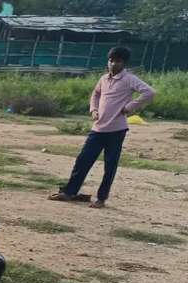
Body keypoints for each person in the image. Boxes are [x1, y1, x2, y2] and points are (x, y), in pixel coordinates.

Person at [49, 47, 155, 208]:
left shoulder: (129, 79)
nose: (113, 64)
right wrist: (94, 109)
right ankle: (69, 192)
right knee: (83, 160)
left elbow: (149, 92)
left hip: (116, 130)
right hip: (98, 129)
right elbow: (96, 94)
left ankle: (101, 198)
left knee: (109, 165)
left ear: (124, 63)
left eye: (117, 61)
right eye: (111, 60)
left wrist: (129, 107)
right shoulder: (104, 78)